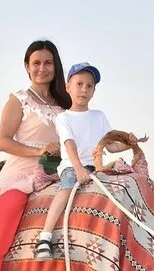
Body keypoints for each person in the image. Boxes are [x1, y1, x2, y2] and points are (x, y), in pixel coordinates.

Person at [0, 40, 72, 271]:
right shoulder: (19, 100)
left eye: (48, 62)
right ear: (27, 67)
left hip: (55, 172)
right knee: (7, 212)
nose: (42, 68)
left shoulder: (65, 105)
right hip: (22, 171)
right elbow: (3, 141)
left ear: (55, 66)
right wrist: (38, 151)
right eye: (36, 63)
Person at [34, 62, 143, 260]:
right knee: (66, 189)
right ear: (68, 87)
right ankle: (45, 237)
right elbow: (69, 144)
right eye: (79, 84)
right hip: (72, 166)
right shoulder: (64, 118)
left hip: (96, 167)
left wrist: (129, 143)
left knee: (120, 189)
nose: (84, 89)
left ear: (94, 91)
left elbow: (110, 146)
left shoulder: (98, 116)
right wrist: (78, 168)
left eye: (89, 86)